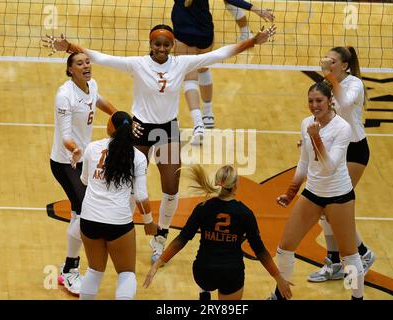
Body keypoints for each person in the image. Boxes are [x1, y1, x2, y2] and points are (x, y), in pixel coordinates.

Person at [44, 23, 276, 264]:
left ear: (172, 45)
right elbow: (101, 57)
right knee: (127, 186)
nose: (162, 48)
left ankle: (160, 236)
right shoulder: (138, 64)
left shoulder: (182, 63)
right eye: (157, 44)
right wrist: (69, 46)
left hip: (167, 130)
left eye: (166, 44)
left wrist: (252, 41)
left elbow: (220, 54)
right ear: (150, 44)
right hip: (140, 129)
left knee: (171, 187)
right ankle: (118, 228)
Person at [270, 82, 364, 300]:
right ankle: (280, 295)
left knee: (349, 255)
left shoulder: (342, 128)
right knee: (284, 248)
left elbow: (329, 166)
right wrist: (291, 192)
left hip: (339, 196)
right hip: (312, 193)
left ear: (330, 100)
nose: (314, 105)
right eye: (310, 101)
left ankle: (356, 297)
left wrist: (316, 137)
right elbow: (304, 162)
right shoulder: (306, 124)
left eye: (319, 101)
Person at [143, 165, 292, 300]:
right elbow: (260, 251)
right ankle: (205, 291)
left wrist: (157, 264)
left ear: (217, 183)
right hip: (231, 273)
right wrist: (279, 277)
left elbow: (181, 240)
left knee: (205, 268)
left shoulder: (203, 208)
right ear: (235, 186)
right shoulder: (245, 213)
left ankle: (204, 292)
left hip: (203, 272)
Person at [47, 51, 117, 295]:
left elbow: (99, 100)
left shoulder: (91, 85)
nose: (86, 65)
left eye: (87, 62)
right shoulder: (64, 96)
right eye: (79, 63)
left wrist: (120, 116)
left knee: (81, 212)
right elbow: (65, 136)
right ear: (70, 70)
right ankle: (69, 270)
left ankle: (69, 268)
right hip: (65, 162)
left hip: (83, 160)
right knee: (84, 211)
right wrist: (75, 150)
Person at [306, 46, 375, 283]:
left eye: (332, 61)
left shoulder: (354, 83)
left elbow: (344, 104)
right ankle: (338, 259)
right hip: (336, 147)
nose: (327, 62)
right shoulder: (328, 84)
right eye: (326, 58)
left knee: (333, 208)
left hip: (354, 151)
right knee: (327, 210)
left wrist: (329, 77)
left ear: (344, 65)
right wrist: (308, 139)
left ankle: (356, 255)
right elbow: (324, 114)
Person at [78, 111, 157, 300]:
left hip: (89, 220)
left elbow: (84, 181)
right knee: (126, 273)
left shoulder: (92, 148)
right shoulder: (137, 157)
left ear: (110, 127)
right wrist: (149, 222)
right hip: (118, 223)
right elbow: (141, 197)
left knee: (94, 271)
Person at [172, 0, 274, 145]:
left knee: (190, 79)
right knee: (204, 69)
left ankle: (198, 124)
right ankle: (208, 114)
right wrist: (256, 9)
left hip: (183, 32)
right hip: (205, 32)